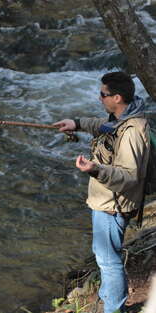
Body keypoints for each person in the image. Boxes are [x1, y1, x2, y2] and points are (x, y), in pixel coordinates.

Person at [54, 71, 150, 313]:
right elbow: (103, 127)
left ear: (117, 97)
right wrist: (76, 124)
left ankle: (113, 308)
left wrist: (95, 169)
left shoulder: (131, 132)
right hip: (107, 202)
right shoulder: (122, 119)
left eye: (103, 94)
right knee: (105, 256)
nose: (100, 98)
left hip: (112, 205)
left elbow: (129, 177)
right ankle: (111, 301)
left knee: (109, 261)